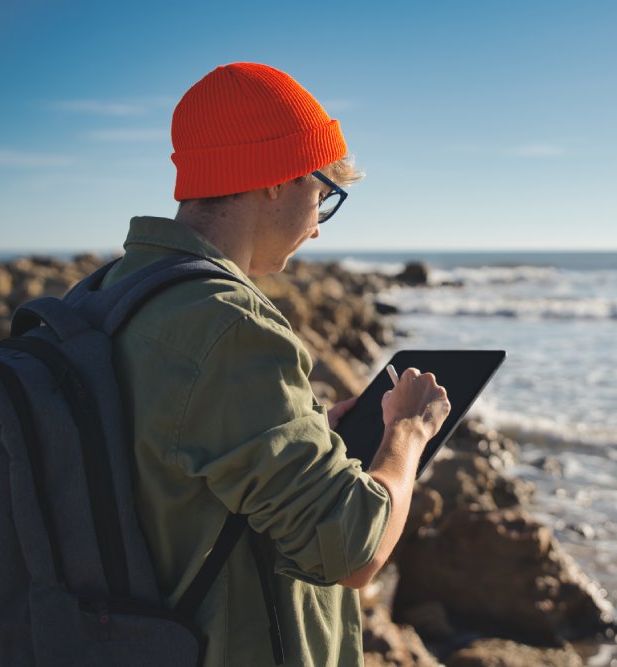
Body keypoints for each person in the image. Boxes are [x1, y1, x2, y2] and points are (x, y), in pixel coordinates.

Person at [102, 62, 450, 666]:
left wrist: (311, 436)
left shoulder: (114, 291)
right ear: (274, 181)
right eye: (322, 196)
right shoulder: (228, 325)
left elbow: (182, 454)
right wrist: (407, 435)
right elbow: (353, 550)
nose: (317, 228)